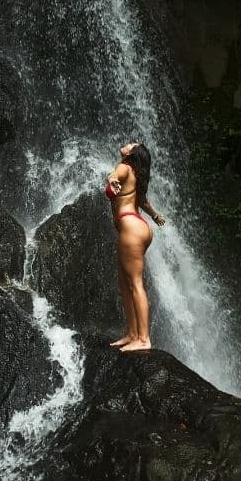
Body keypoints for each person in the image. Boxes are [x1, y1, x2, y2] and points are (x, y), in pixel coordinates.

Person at [104, 141, 165, 351]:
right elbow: (143, 202)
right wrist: (156, 216)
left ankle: (143, 338)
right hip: (140, 226)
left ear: (132, 153)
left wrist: (112, 183)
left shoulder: (124, 167)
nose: (127, 144)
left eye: (132, 144)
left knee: (135, 283)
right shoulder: (135, 175)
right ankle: (132, 334)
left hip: (130, 228)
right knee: (125, 284)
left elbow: (113, 176)